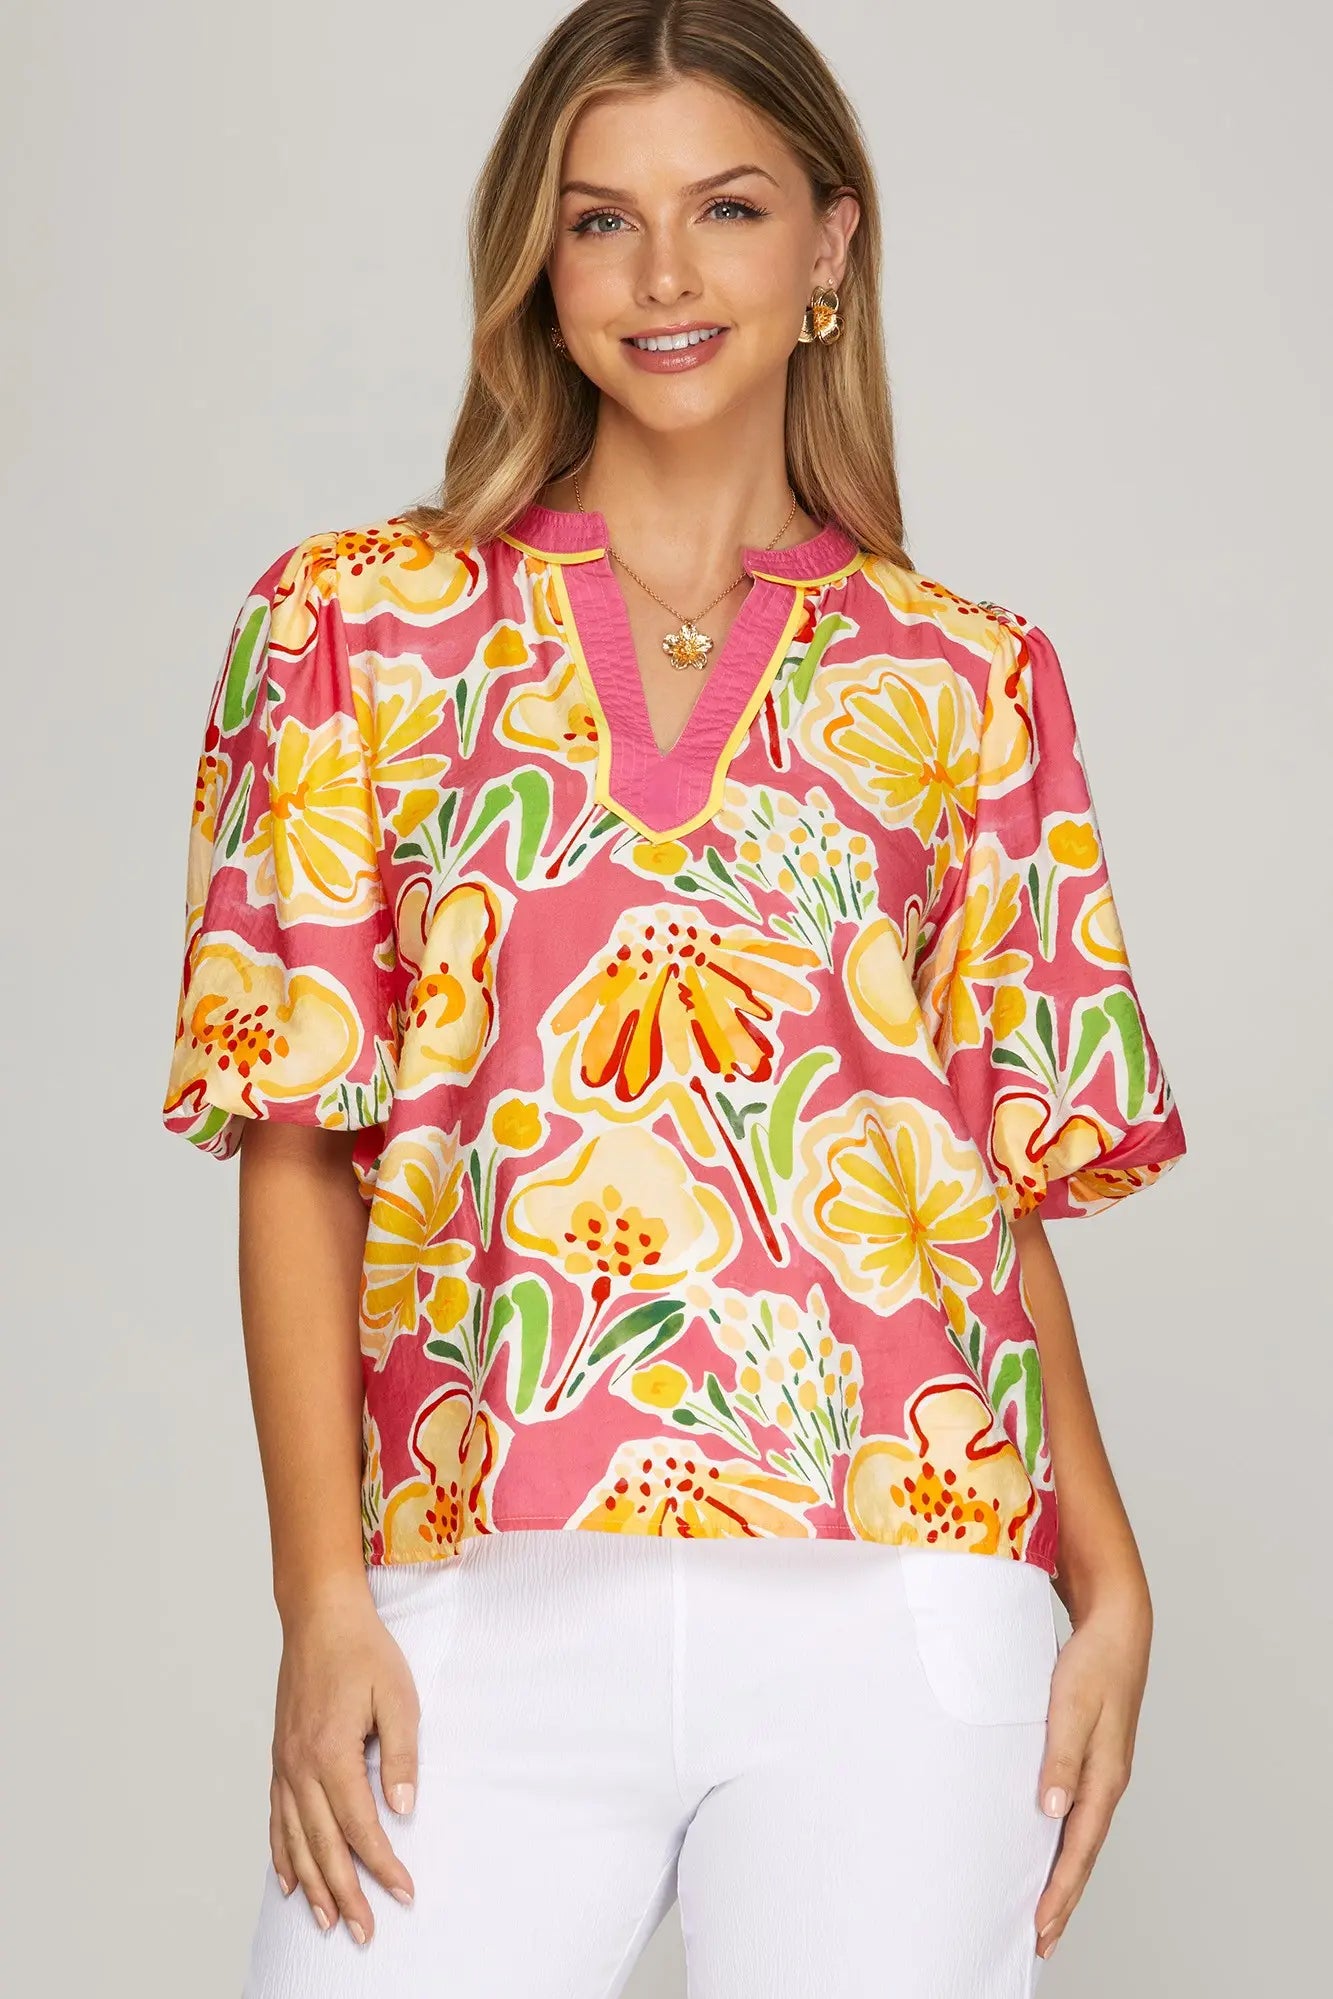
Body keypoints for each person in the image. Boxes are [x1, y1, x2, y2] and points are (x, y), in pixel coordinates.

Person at [161, 2, 1187, 1992]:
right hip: (476, 1587)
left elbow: (976, 1177)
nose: (661, 275)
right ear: (536, 265)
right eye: (598, 219)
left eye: (724, 208)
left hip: (905, 1596)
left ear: (828, 242)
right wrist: (320, 1603)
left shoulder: (970, 679)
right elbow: (297, 1146)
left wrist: (1112, 1573)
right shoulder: (350, 631)